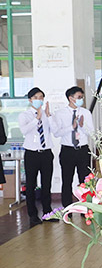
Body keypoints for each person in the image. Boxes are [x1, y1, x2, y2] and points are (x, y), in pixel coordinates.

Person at [18, 87, 57, 226]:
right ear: (30, 100)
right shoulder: (24, 115)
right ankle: (33, 215)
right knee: (31, 185)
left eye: (41, 97)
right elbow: (24, 130)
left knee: (46, 184)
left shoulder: (47, 115)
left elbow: (55, 131)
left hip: (46, 153)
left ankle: (47, 212)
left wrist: (49, 116)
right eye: (35, 98)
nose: (38, 100)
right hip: (32, 154)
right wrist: (37, 118)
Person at [52, 86, 95, 207]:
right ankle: (67, 208)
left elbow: (92, 133)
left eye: (82, 97)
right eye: (79, 97)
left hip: (83, 150)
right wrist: (72, 126)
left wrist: (82, 125)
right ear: (70, 98)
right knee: (67, 180)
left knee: (85, 181)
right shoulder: (60, 113)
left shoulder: (86, 113)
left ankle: (87, 208)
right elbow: (57, 133)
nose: (81, 99)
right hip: (67, 150)